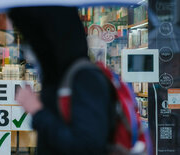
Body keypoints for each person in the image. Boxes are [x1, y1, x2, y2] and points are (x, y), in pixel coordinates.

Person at [10, 7, 116, 154]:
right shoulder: (59, 76)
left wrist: (37, 110)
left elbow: (86, 146)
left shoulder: (85, 78)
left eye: (34, 40)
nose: (30, 50)